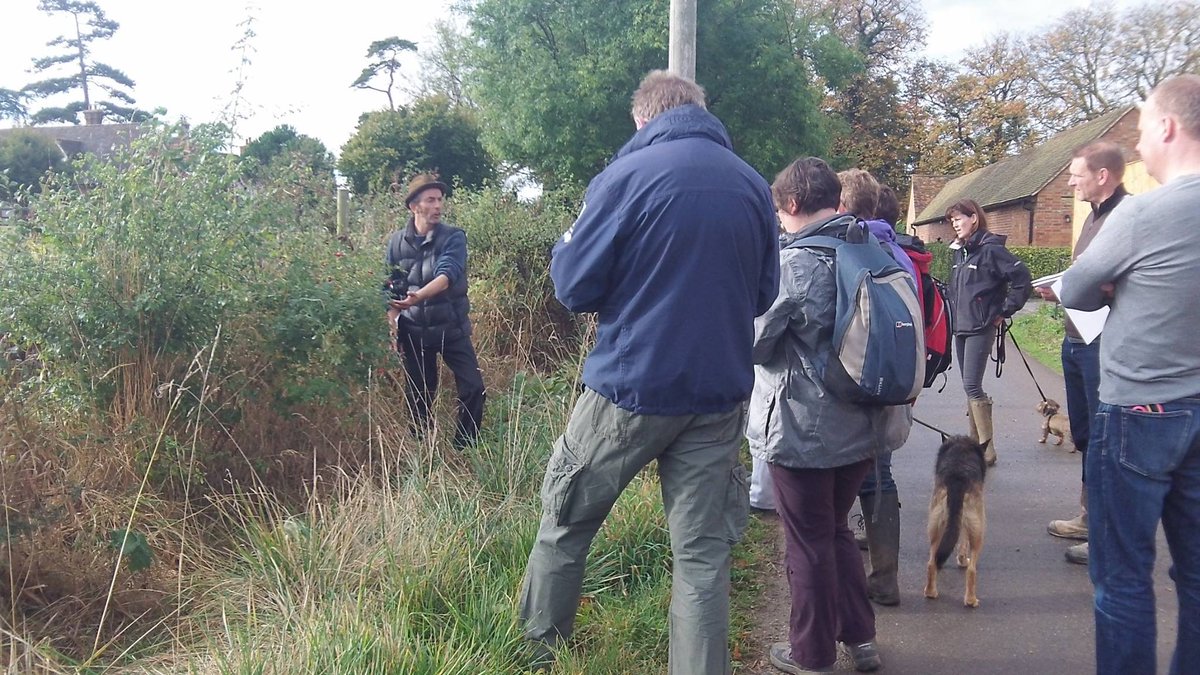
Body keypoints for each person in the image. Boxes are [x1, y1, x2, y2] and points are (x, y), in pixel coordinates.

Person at [518, 70, 779, 675]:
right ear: (698, 112)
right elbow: (763, 294)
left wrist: (568, 245)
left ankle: (536, 654)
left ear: (644, 119)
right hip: (718, 395)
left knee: (565, 520)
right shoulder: (751, 185)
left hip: (629, 389)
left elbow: (573, 286)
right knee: (702, 556)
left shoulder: (623, 178)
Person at [747, 156, 910, 674]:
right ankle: (860, 639)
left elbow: (754, 341)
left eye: (778, 209)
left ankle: (810, 654)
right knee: (835, 530)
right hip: (864, 425)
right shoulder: (874, 247)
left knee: (809, 542)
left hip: (804, 430)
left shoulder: (795, 264)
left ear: (792, 204)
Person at [1060, 74, 1200, 675]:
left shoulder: (1144, 214)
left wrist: (1121, 282)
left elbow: (1076, 287)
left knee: (1121, 579)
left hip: (1140, 408)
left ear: (1168, 127)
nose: (1138, 146)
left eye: (1142, 131)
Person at [1034, 141, 1128, 567]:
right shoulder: (1092, 216)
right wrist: (1063, 289)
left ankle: (1104, 534)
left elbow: (1120, 279)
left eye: (1077, 174)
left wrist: (1082, 286)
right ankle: (1089, 517)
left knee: (1106, 437)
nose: (1070, 181)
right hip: (1076, 337)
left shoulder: (1127, 217)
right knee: (1086, 433)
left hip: (1103, 341)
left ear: (1102, 175)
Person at [384, 173, 485, 449]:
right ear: (414, 206)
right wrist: (392, 326)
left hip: (451, 329)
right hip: (414, 332)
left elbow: (447, 275)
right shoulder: (395, 243)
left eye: (440, 199)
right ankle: (423, 452)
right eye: (431, 200)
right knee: (419, 395)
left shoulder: (453, 237)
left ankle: (464, 447)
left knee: (474, 387)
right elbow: (390, 291)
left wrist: (416, 297)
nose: (438, 205)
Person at [945, 199, 1031, 466]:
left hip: (981, 327)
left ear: (974, 218)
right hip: (961, 326)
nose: (955, 224)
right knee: (969, 386)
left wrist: (1004, 311)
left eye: (959, 218)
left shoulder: (991, 250)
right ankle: (976, 446)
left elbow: (1022, 279)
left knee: (972, 384)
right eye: (952, 220)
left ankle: (988, 450)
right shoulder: (961, 252)